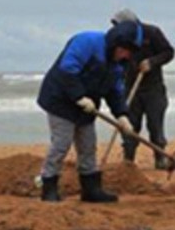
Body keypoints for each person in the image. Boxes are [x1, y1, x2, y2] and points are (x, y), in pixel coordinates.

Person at [34, 21, 140, 203]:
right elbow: (67, 71)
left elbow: (115, 91)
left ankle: (91, 190)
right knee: (61, 143)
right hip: (60, 99)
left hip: (88, 105)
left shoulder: (119, 63)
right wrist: (79, 96)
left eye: (129, 52)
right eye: (124, 49)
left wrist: (122, 115)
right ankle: (48, 186)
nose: (125, 55)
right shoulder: (87, 42)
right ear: (116, 43)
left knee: (88, 145)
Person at [110, 9, 175, 169]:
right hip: (130, 87)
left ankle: (160, 158)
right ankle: (128, 160)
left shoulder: (152, 32)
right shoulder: (116, 38)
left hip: (153, 88)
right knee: (130, 126)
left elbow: (169, 52)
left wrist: (152, 62)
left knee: (155, 125)